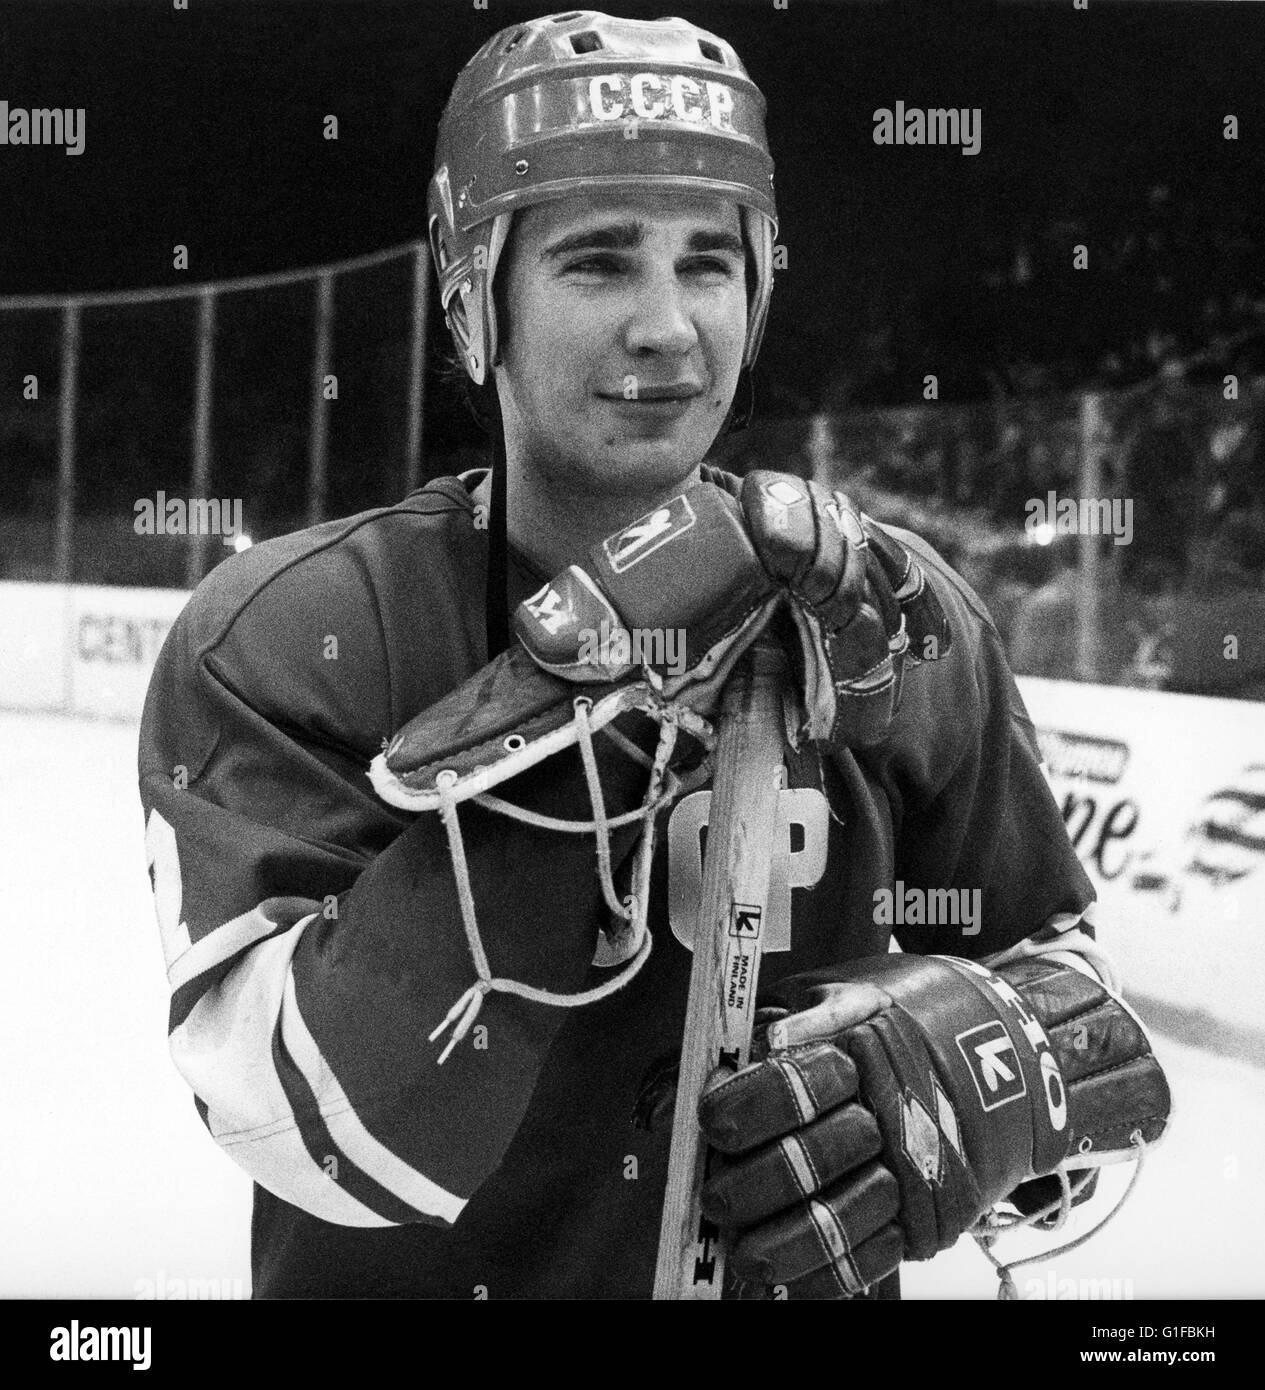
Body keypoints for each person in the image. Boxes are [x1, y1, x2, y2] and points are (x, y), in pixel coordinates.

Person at [138, 11, 1169, 1300]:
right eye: (598, 261)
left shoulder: (901, 621)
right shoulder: (291, 635)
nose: (669, 326)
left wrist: (991, 1074)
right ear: (475, 305)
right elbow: (305, 1125)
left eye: (710, 263)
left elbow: (1084, 1025)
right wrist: (603, 697)